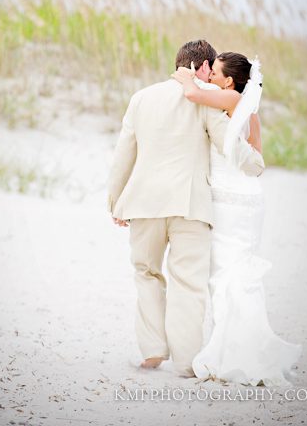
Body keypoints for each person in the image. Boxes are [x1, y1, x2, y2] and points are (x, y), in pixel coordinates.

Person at [107, 40, 265, 378]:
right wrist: (256, 161)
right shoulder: (206, 102)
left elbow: (123, 154)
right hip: (191, 205)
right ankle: (186, 360)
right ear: (205, 66)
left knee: (146, 272)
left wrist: (115, 201)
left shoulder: (141, 98)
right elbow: (229, 146)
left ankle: (152, 349)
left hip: (145, 203)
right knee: (188, 283)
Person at [172, 52, 302, 386]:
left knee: (226, 276)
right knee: (237, 274)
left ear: (230, 80)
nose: (210, 76)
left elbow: (193, 94)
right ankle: (240, 348)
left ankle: (234, 353)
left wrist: (185, 75)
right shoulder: (250, 111)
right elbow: (257, 158)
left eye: (215, 72)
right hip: (247, 199)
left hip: (230, 203)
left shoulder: (230, 98)